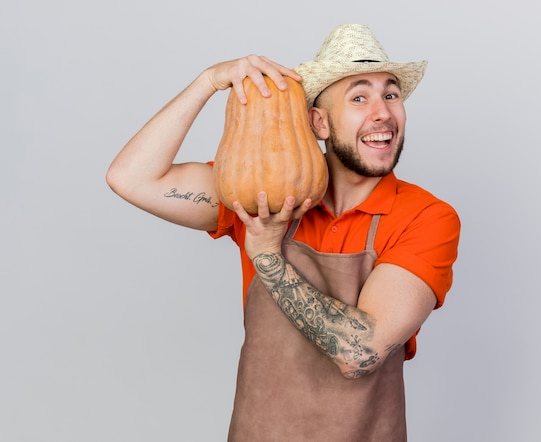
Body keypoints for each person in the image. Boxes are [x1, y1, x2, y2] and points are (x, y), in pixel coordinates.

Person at [107, 24, 460, 441]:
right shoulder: (262, 193)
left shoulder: (426, 216)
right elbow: (130, 178)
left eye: (390, 94)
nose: (382, 111)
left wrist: (268, 257)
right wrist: (207, 82)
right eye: (359, 97)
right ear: (319, 123)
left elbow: (359, 352)